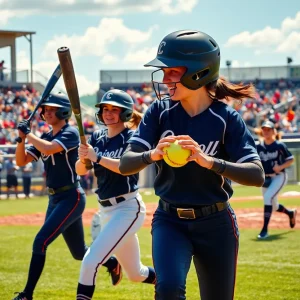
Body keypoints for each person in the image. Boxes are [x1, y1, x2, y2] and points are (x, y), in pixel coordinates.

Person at [119, 30, 265, 300]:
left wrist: (210, 161)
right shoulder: (159, 112)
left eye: (172, 72)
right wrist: (152, 154)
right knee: (169, 289)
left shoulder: (226, 118)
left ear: (198, 72)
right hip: (169, 221)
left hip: (217, 224)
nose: (164, 80)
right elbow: (126, 164)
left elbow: (256, 175)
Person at [13, 93, 121, 300]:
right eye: (45, 110)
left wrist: (28, 134)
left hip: (71, 197)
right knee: (79, 252)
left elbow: (49, 148)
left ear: (63, 111)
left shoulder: (70, 133)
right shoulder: (44, 136)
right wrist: (21, 138)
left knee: (40, 242)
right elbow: (21, 160)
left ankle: (27, 294)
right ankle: (111, 262)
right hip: (54, 199)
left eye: (52, 109)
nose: (46, 112)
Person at [75, 89, 156, 299]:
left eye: (114, 109)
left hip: (128, 209)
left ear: (126, 113)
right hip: (106, 210)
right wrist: (83, 157)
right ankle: (168, 282)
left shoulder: (132, 137)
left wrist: (97, 157)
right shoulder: (98, 137)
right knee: (136, 274)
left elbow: (125, 167)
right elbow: (81, 170)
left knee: (90, 262)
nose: (108, 113)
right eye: (105, 109)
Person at [256, 120, 297, 239]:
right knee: (273, 206)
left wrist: (280, 167)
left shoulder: (279, 145)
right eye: (264, 129)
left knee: (268, 198)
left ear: (274, 131)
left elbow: (291, 159)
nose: (266, 131)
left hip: (279, 177)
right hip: (266, 179)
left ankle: (264, 230)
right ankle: (290, 213)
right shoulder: (259, 146)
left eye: (269, 129)